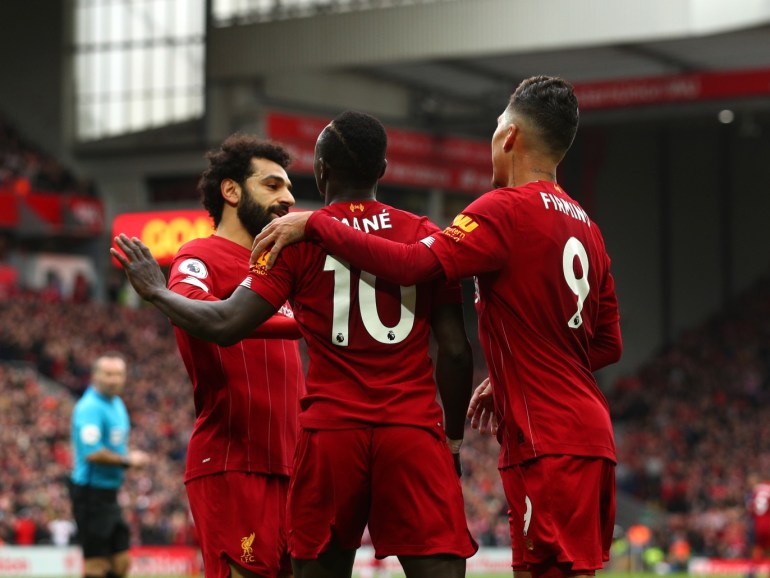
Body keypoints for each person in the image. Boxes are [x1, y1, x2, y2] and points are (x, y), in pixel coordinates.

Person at [251, 76, 623, 578]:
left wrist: (317, 224)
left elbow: (410, 268)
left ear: (509, 137)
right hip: (593, 436)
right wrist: (516, 372)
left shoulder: (502, 210)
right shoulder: (587, 226)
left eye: (495, 130)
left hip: (546, 438)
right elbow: (607, 344)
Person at [111, 111, 478, 578]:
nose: (285, 198)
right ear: (383, 171)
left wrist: (154, 292)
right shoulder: (425, 235)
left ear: (321, 171)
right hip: (410, 430)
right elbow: (456, 350)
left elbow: (227, 322)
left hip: (329, 436)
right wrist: (452, 440)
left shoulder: (293, 239)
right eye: (273, 185)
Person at [168, 134, 304, 578]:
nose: (288, 197)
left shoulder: (284, 268)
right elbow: (194, 309)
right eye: (272, 185)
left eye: (288, 187)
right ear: (231, 191)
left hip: (294, 466)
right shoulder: (199, 256)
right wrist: (303, 323)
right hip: (234, 465)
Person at [70, 352, 149, 578]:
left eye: (118, 374)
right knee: (96, 565)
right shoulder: (90, 407)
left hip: (110, 493)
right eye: (108, 374)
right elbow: (92, 453)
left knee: (121, 562)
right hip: (91, 493)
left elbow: (115, 445)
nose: (113, 379)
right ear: (95, 376)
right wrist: (128, 460)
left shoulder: (117, 404)